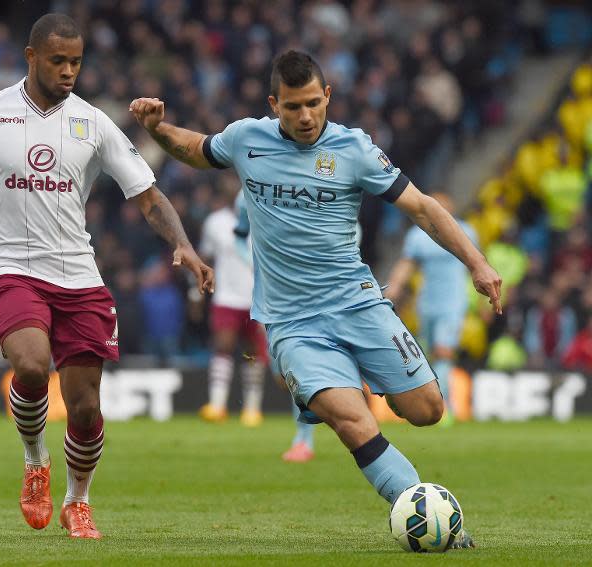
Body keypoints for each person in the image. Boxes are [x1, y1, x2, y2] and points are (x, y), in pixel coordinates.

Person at [130, 50, 501, 548]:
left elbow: (422, 207)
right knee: (352, 421)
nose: (305, 117)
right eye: (292, 107)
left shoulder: (355, 150)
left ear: (327, 96)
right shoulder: (247, 139)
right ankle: (425, 513)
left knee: (428, 409)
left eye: (312, 104)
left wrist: (476, 262)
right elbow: (197, 148)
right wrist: (158, 129)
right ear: (273, 105)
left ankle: (361, 378)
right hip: (292, 323)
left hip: (359, 304)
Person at [0, 13, 214, 540]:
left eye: (76, 61)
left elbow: (147, 196)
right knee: (30, 368)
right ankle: (35, 461)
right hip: (9, 267)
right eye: (58, 61)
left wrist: (184, 246)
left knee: (86, 406)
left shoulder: (94, 123)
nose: (70, 70)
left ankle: (78, 500)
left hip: (77, 273)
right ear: (32, 57)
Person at [235, 191, 316, 460]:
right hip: (268, 294)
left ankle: (303, 439)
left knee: (299, 366)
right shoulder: (244, 196)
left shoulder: (306, 187)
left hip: (310, 291)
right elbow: (239, 236)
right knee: (282, 374)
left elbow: (350, 228)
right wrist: (255, 265)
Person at [384, 193, 477, 425]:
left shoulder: (466, 232)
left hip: (453, 303)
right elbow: (407, 263)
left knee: (444, 353)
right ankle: (429, 404)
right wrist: (394, 287)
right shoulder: (418, 236)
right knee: (426, 356)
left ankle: (446, 408)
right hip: (426, 304)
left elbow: (475, 264)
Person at [198, 189, 268, 427]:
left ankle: (252, 408)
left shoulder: (263, 218)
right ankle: (217, 405)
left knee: (253, 352)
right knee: (223, 346)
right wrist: (195, 290)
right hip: (226, 296)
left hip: (257, 297)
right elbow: (205, 256)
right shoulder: (215, 222)